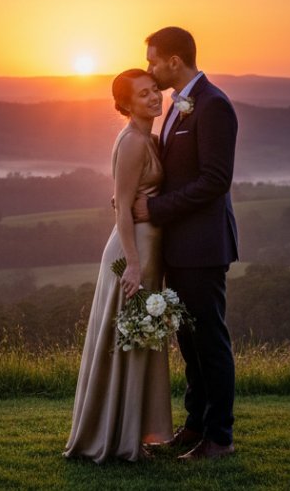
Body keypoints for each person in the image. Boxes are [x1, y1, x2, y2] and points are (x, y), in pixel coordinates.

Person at [133, 26, 239, 460]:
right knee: (189, 345)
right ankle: (195, 425)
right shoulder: (179, 104)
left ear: (174, 61)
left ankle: (220, 437)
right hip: (179, 247)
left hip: (203, 247)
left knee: (210, 342)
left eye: (153, 61)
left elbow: (215, 180)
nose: (150, 69)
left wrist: (155, 209)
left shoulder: (214, 105)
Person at [63, 69, 173, 463]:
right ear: (125, 104)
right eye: (143, 94)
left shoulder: (151, 140)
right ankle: (117, 438)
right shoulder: (132, 143)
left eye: (155, 89)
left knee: (140, 342)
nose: (154, 97)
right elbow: (122, 209)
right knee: (127, 342)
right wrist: (133, 265)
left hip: (148, 251)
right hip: (132, 253)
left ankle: (132, 433)